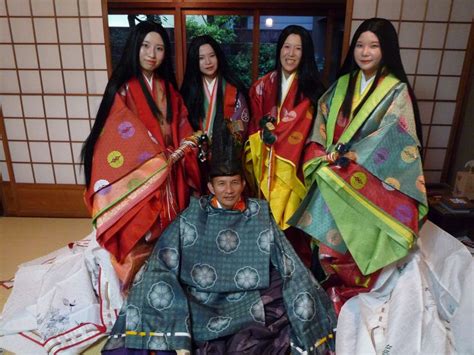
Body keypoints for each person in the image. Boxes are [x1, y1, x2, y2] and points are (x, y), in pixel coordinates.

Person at [102, 130, 337, 355]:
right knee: (152, 283)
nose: (228, 190)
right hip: (203, 298)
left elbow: (288, 260)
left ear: (243, 185)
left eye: (235, 183)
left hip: (250, 294)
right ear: (210, 187)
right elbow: (164, 258)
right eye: (222, 184)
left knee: (289, 288)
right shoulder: (193, 215)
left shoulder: (258, 213)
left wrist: (302, 289)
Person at [289, 18, 428, 313]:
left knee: (359, 242)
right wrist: (322, 156)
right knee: (328, 244)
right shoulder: (341, 86)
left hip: (366, 179)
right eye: (360, 45)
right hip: (332, 175)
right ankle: (329, 296)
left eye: (374, 46)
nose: (365, 52)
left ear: (386, 50)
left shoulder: (395, 90)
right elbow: (319, 129)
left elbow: (395, 135)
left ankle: (357, 298)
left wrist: (351, 159)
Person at [81, 21, 201, 292]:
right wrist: (152, 159)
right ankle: (141, 273)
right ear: (135, 47)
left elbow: (182, 123)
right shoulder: (123, 90)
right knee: (143, 228)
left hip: (171, 168)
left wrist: (186, 145)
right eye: (146, 46)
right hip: (142, 171)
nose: (152, 54)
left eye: (159, 48)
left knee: (172, 226)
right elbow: (117, 135)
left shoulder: (169, 90)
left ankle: (171, 270)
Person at [244, 25, 326, 266]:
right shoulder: (261, 86)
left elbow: (317, 134)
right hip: (264, 169)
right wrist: (262, 134)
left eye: (298, 49)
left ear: (306, 53)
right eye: (286, 47)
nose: (291, 54)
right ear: (279, 49)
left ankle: (295, 276)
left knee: (294, 227)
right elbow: (253, 130)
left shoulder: (313, 92)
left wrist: (280, 137)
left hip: (296, 168)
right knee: (262, 227)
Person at [180, 35, 249, 193]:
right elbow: (182, 125)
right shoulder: (187, 92)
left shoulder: (233, 90)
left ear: (219, 56)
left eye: (212, 56)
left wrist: (224, 144)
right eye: (201, 58)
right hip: (197, 159)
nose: (208, 62)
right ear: (194, 62)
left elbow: (240, 123)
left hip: (225, 161)